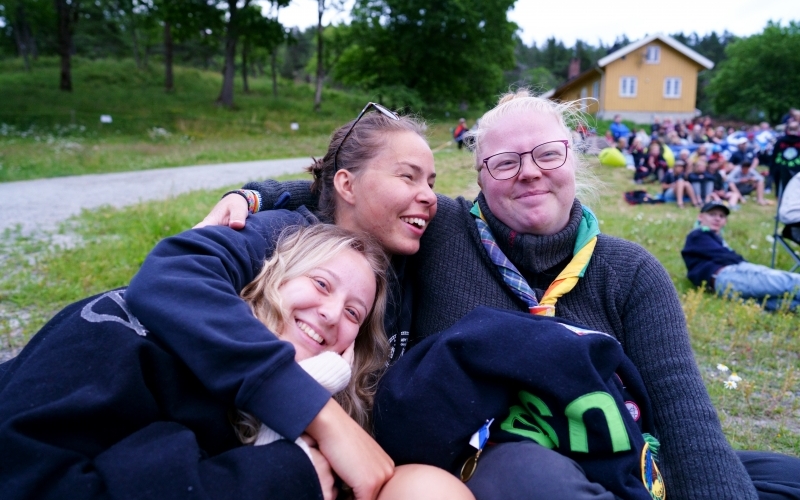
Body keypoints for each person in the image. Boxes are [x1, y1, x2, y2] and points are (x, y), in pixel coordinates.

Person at [211, 90, 800, 499]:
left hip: (619, 454)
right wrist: (255, 195)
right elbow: (354, 190)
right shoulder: (442, 228)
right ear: (480, 177)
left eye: (548, 153)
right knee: (524, 479)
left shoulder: (631, 272)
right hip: (492, 471)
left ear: (574, 159)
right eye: (504, 161)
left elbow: (685, 418)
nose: (529, 172)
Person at [127, 104, 474, 500]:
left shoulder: (416, 251)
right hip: (243, 460)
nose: (429, 197)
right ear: (346, 185)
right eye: (408, 177)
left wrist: (261, 192)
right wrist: (313, 411)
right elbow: (173, 273)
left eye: (431, 182)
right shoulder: (285, 239)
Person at [0, 224, 393, 500]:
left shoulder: (289, 420)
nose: (330, 313)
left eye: (353, 314)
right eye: (321, 284)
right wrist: (284, 477)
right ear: (275, 275)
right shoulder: (133, 335)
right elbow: (25, 481)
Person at [681, 201, 800, 311]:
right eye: (712, 214)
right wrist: (741, 261)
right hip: (730, 275)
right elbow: (724, 256)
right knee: (790, 281)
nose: (717, 218)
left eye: (721, 216)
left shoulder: (715, 239)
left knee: (785, 303)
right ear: (700, 217)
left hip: (723, 287)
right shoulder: (698, 235)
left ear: (725, 221)